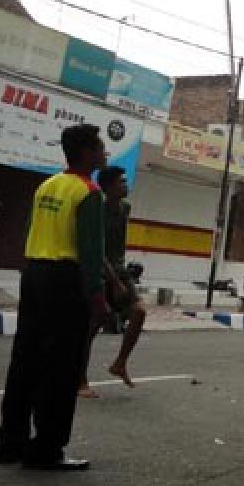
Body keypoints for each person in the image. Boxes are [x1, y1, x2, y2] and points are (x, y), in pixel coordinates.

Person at [0, 124, 108, 471]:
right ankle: (46, 449)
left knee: (24, 361)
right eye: (101, 147)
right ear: (87, 152)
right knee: (61, 367)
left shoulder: (47, 186)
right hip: (65, 280)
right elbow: (91, 250)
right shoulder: (89, 192)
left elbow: (33, 231)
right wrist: (97, 296)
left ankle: (9, 443)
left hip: (34, 274)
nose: (105, 153)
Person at [79, 165, 147, 397]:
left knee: (139, 311)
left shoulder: (125, 208)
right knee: (91, 327)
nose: (125, 185)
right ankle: (80, 381)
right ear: (108, 187)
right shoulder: (98, 209)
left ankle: (119, 364)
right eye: (121, 182)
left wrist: (122, 277)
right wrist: (113, 281)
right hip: (100, 272)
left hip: (120, 271)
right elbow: (97, 248)